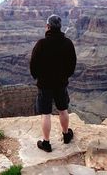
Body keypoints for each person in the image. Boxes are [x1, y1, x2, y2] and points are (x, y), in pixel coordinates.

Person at [30, 14, 77, 152]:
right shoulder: (67, 43)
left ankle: (46, 143)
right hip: (61, 83)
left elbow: (33, 65)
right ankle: (66, 134)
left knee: (46, 113)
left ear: (48, 27)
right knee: (63, 109)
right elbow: (72, 64)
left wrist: (38, 77)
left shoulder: (41, 44)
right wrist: (65, 76)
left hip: (45, 84)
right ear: (60, 27)